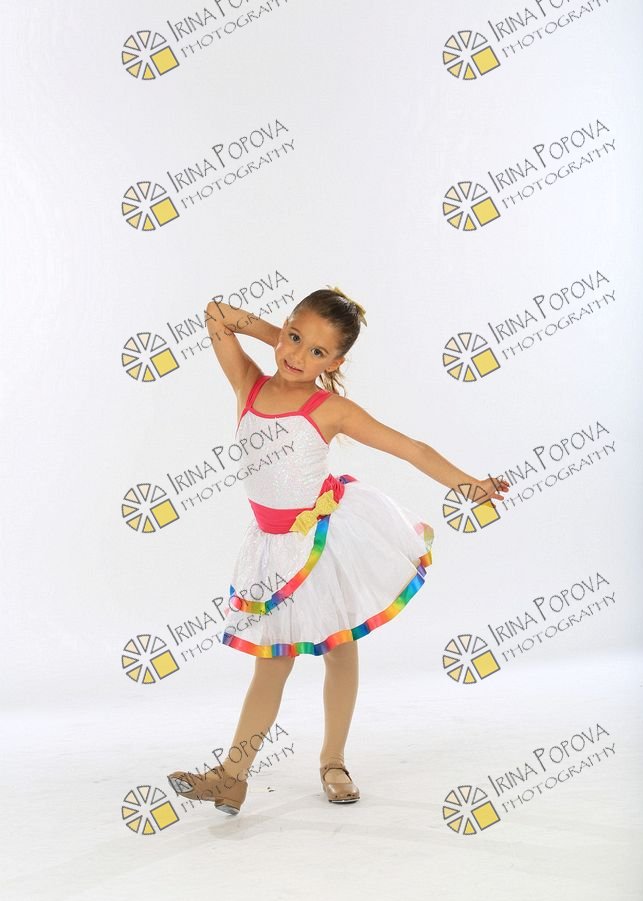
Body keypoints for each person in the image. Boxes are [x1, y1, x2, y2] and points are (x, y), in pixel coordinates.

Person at [168, 286, 509, 815]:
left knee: (340, 648)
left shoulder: (330, 409)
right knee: (272, 663)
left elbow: (411, 448)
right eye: (294, 337)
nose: (298, 357)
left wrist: (469, 485)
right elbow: (216, 314)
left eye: (318, 352)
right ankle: (233, 778)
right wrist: (278, 338)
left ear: (336, 363)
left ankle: (332, 761)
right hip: (274, 552)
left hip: (323, 542)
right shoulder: (248, 385)